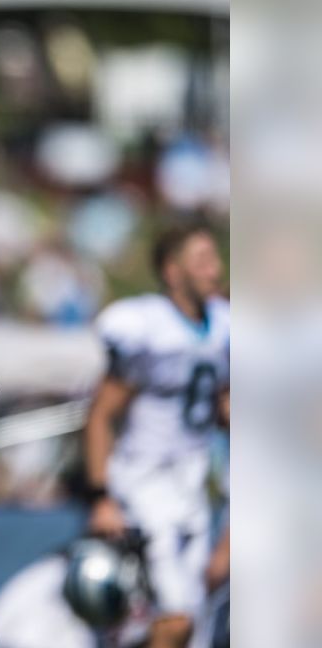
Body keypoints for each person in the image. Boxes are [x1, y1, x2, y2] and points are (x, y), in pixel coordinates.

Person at [83, 223, 230, 648]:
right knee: (177, 617)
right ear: (172, 271)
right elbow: (102, 415)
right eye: (201, 261)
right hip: (144, 486)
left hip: (194, 486)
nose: (214, 271)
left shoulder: (222, 325)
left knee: (193, 626)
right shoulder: (148, 326)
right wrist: (101, 497)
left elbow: (218, 400)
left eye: (214, 259)